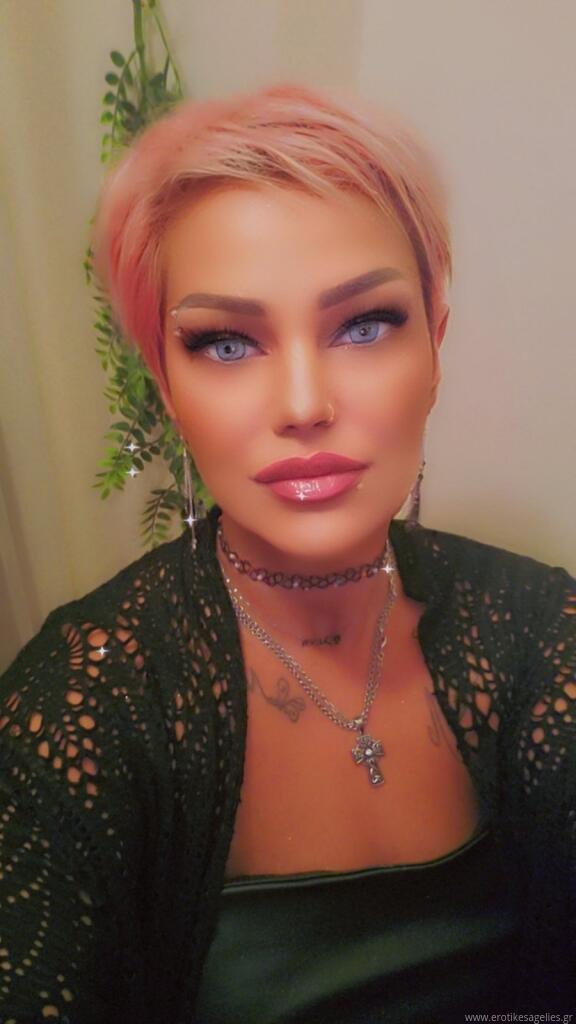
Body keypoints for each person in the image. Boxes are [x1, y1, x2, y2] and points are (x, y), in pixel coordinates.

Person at [0, 82, 574, 1024]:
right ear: (166, 384)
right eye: (227, 343)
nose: (304, 404)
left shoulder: (542, 632)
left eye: (364, 324)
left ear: (435, 344)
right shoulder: (78, 710)